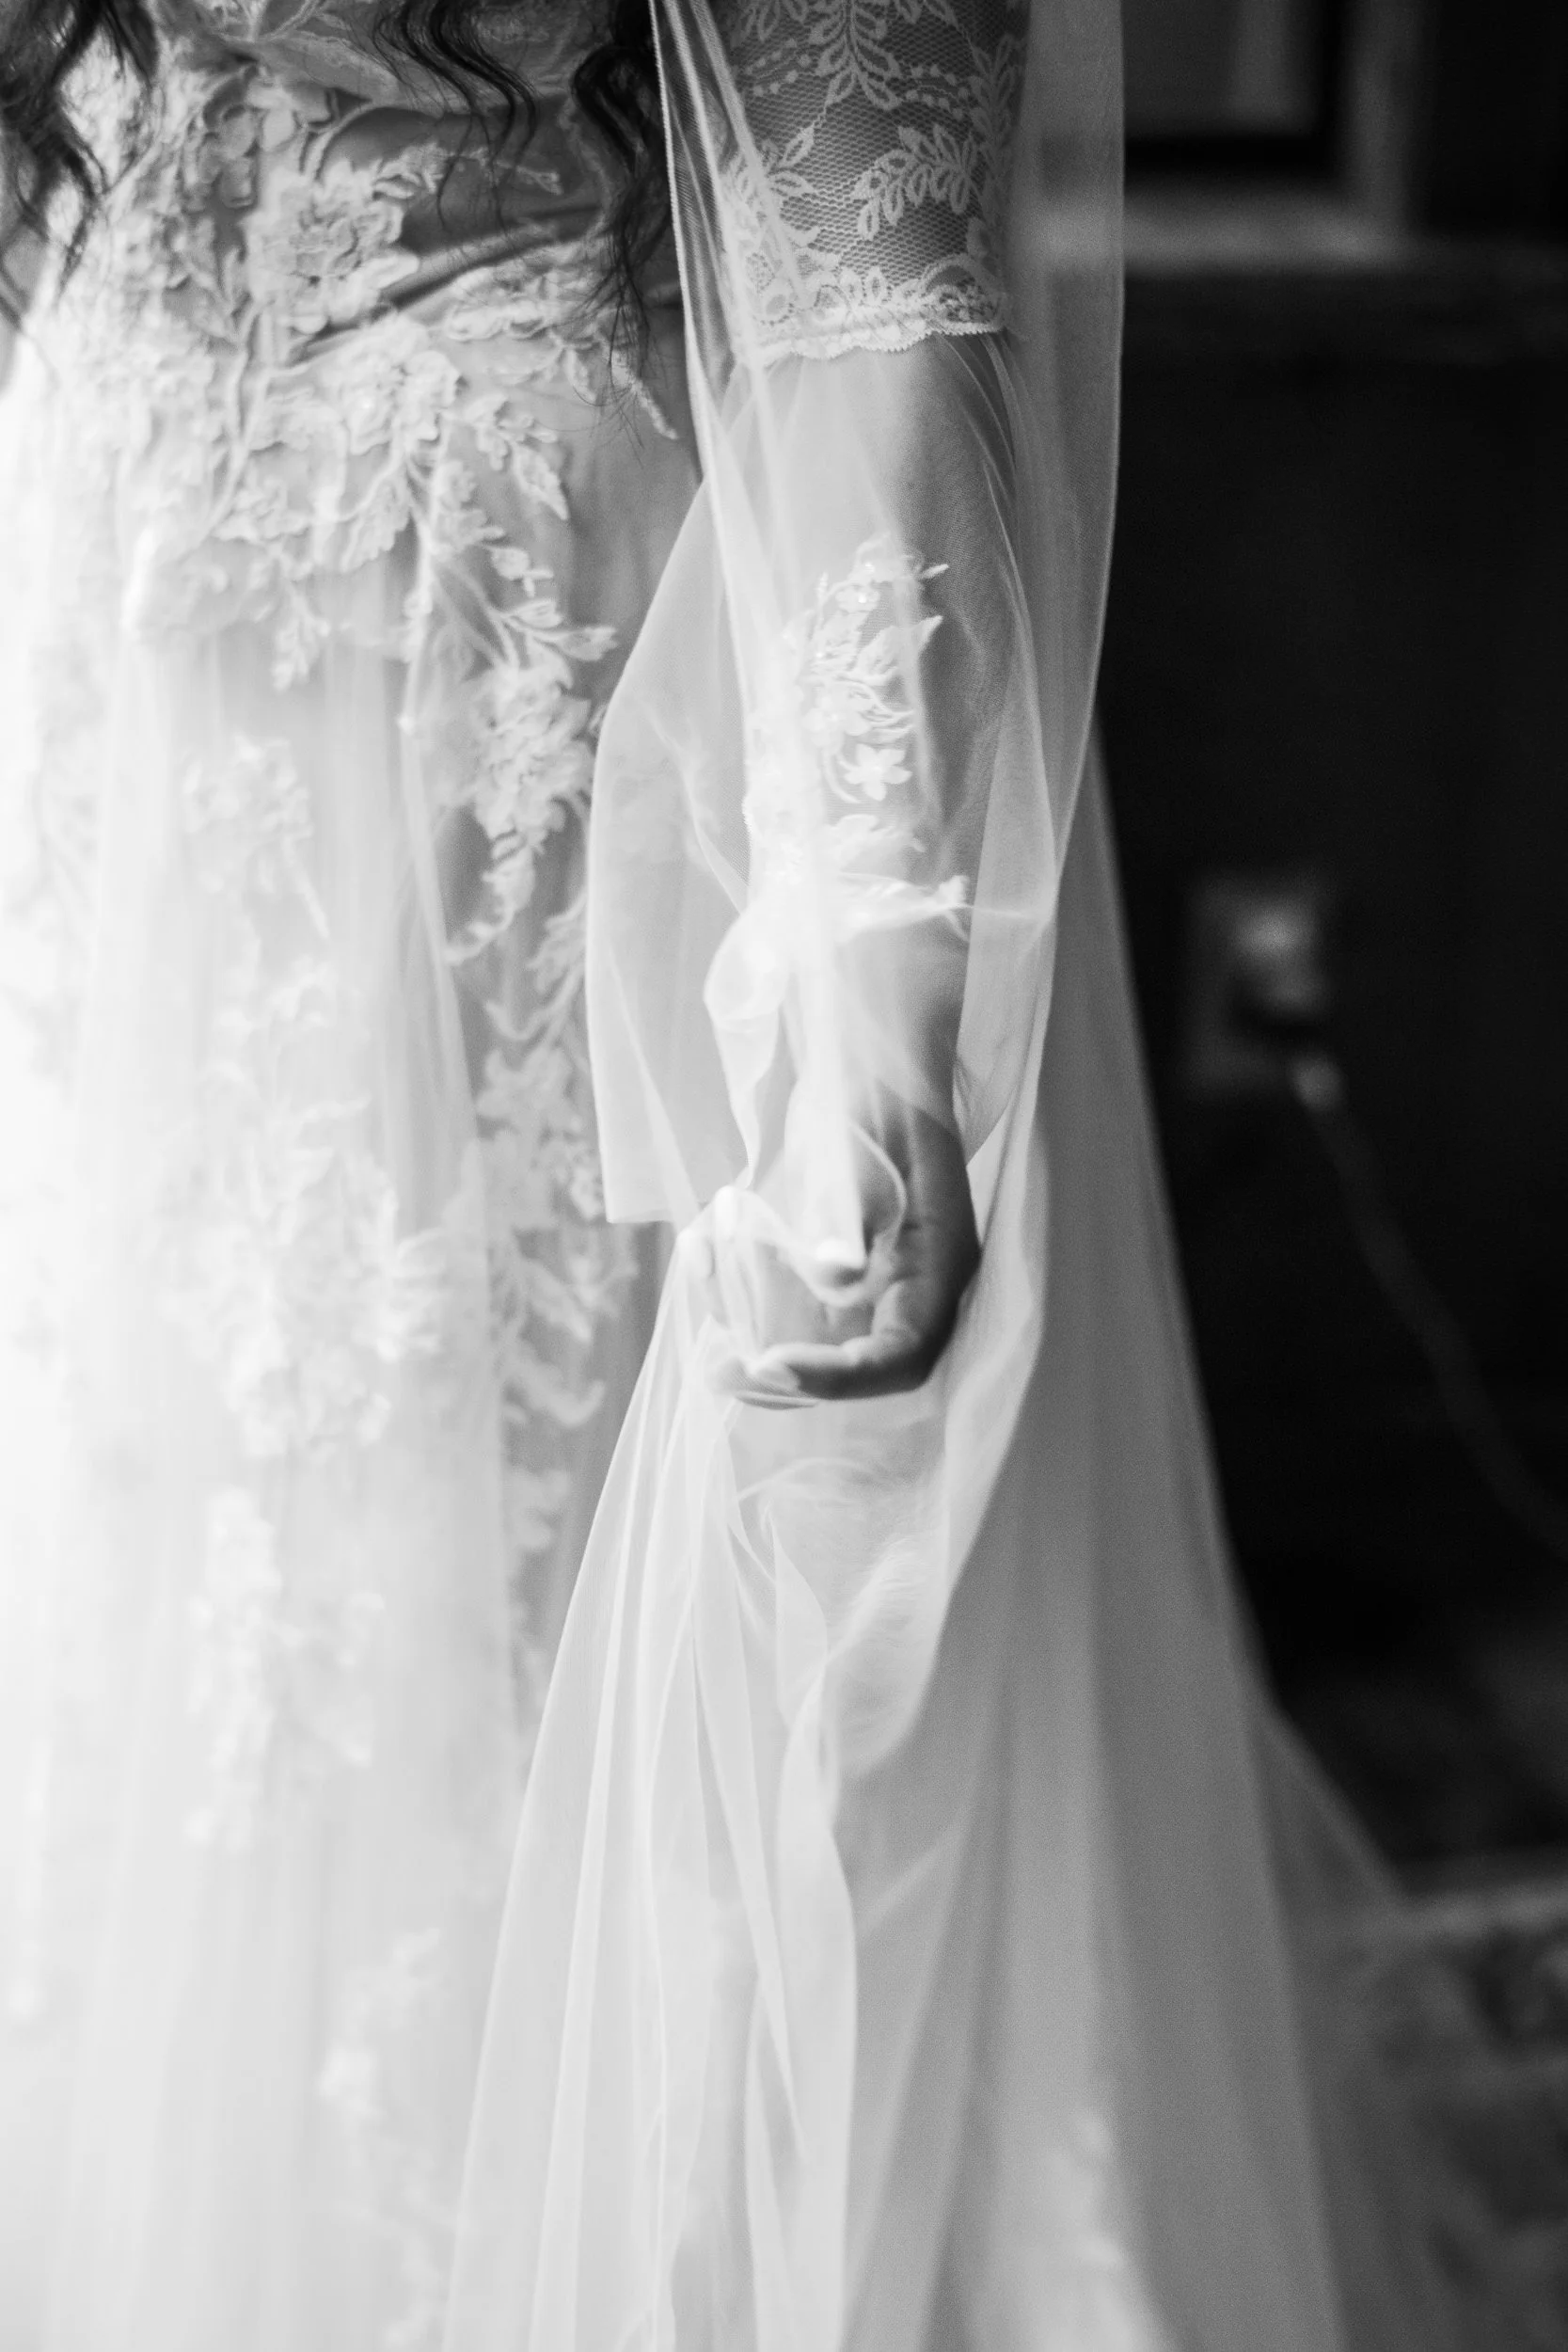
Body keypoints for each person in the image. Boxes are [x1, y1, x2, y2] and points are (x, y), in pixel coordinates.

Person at [0, 0, 1523, 2345]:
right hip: (126, 668)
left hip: (503, 724)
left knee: (527, 1648)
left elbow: (868, 281)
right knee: (174, 1548)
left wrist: (876, 1003)